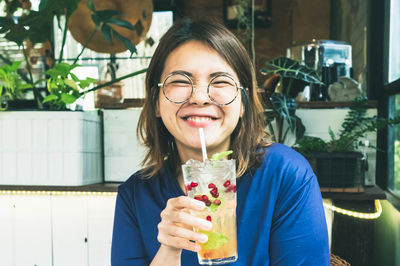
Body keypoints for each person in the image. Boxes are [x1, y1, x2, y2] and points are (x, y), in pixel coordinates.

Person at [111, 18, 330, 266]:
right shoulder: (135, 195)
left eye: (221, 81)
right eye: (181, 81)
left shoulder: (286, 175)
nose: (200, 97)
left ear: (243, 103)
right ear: (156, 102)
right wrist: (169, 252)